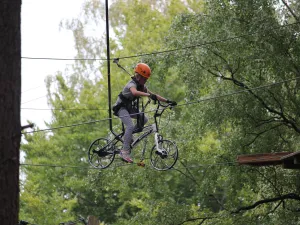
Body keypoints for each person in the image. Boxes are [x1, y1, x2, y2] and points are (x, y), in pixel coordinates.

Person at [112, 63, 177, 163]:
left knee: (144, 119)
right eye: (144, 78)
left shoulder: (141, 86)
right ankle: (124, 151)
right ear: (138, 76)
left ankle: (127, 136)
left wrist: (167, 101)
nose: (145, 80)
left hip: (129, 108)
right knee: (129, 125)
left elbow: (154, 95)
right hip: (121, 108)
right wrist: (148, 95)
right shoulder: (132, 84)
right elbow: (134, 92)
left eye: (146, 79)